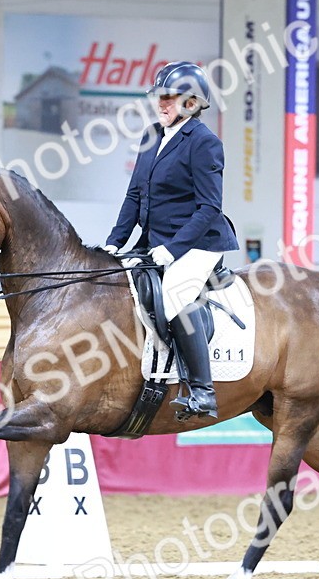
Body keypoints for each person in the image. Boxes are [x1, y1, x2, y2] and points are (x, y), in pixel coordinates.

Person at [95, 61, 237, 419]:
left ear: (192, 102)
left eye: (169, 97)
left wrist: (173, 250)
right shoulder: (151, 136)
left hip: (200, 242)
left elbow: (209, 208)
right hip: (155, 240)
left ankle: (203, 391)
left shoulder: (205, 143)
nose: (161, 104)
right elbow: (134, 195)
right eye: (158, 97)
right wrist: (115, 242)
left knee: (174, 296)